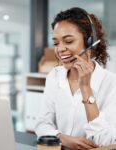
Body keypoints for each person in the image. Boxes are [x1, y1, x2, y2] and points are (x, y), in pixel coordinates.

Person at [35, 7, 116, 150]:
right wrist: (62, 138)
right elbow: (42, 124)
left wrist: (86, 88)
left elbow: (107, 141)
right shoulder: (54, 76)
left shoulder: (111, 83)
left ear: (89, 42)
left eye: (68, 41)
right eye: (56, 43)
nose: (60, 49)